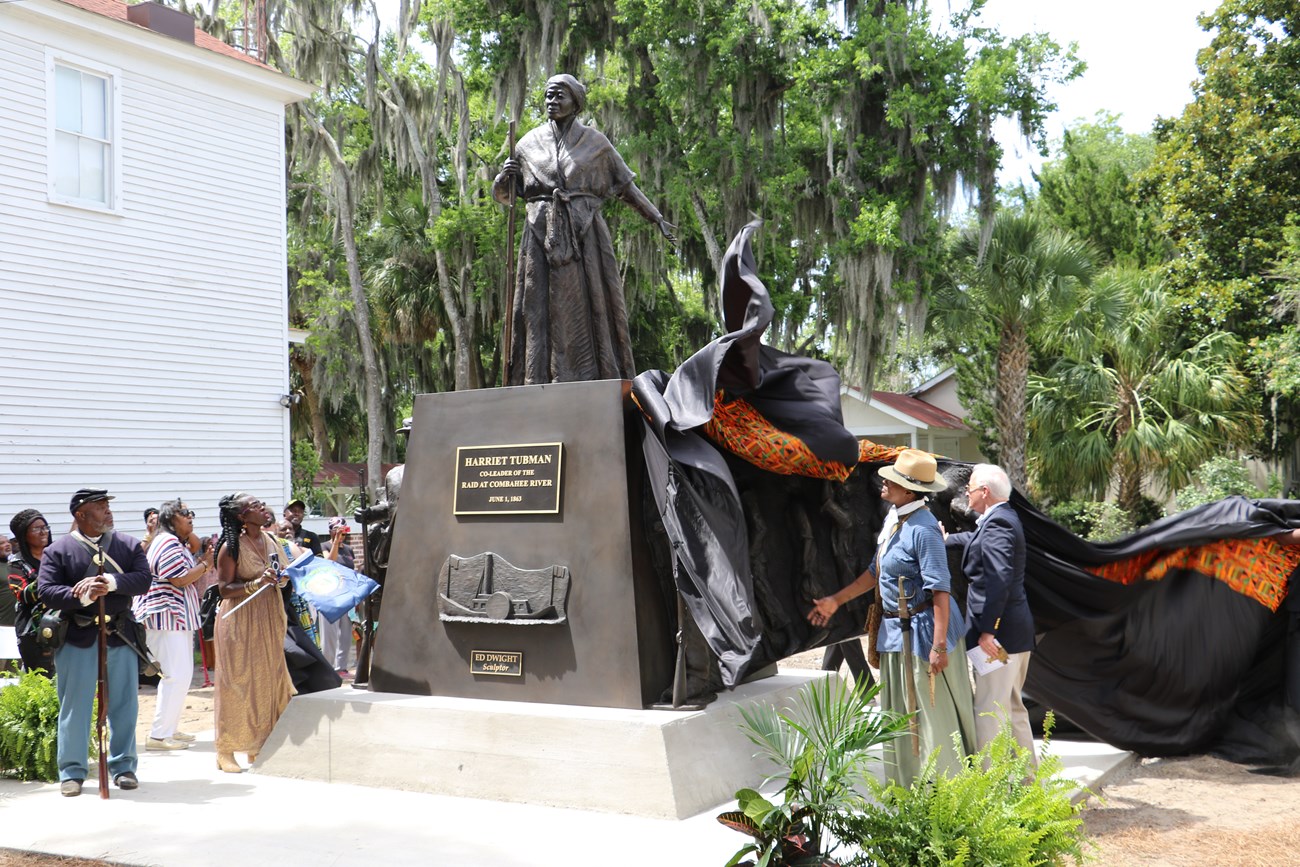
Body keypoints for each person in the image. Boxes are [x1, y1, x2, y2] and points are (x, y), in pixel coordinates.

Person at [492, 73, 676, 385]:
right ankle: (536, 378)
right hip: (539, 234)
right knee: (536, 308)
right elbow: (509, 194)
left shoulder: (596, 144)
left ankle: (593, 377)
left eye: (559, 96)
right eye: (548, 96)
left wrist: (656, 217)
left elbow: (626, 187)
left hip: (584, 234)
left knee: (588, 306)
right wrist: (502, 178)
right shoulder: (527, 144)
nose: (552, 102)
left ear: (575, 103)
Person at [808, 450, 976, 787]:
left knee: (932, 719)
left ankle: (944, 793)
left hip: (925, 636)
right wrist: (835, 601)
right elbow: (875, 571)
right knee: (902, 716)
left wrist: (939, 647)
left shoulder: (924, 529)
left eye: (893, 480)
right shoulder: (895, 520)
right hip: (897, 634)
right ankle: (908, 788)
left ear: (910, 491)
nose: (884, 482)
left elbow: (940, 591)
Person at [36, 489, 150, 797]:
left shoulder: (127, 545)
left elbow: (143, 579)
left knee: (125, 704)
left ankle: (124, 766)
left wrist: (111, 583)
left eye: (107, 506)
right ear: (81, 515)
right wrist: (81, 593)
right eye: (99, 508)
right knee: (75, 706)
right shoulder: (58, 550)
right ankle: (72, 771)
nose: (107, 512)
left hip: (120, 635)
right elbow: (46, 591)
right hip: (78, 636)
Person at [945, 464, 1037, 766]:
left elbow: (999, 580)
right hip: (1012, 633)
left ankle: (988, 788)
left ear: (984, 491)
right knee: (1011, 708)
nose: (966, 493)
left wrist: (988, 630)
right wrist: (945, 539)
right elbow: (974, 540)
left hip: (998, 640)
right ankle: (1028, 782)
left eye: (969, 488)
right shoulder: (1000, 519)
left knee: (989, 709)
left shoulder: (999, 524)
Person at [213, 493, 296, 773]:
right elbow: (224, 589)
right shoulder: (231, 547)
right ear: (241, 517)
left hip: (269, 617)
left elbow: (283, 574)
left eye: (262, 505)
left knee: (265, 682)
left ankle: (257, 746)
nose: (263, 509)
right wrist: (257, 582)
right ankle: (225, 750)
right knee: (236, 683)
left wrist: (282, 578)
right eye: (256, 506)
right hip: (239, 620)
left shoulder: (270, 540)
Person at [134, 499, 209, 751]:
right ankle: (158, 736)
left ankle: (169, 729)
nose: (190, 517)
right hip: (167, 617)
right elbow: (178, 580)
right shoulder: (167, 542)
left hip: (175, 618)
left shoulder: (173, 542)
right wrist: (206, 564)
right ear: (170, 519)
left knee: (181, 675)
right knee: (175, 675)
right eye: (185, 513)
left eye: (191, 512)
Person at [7, 509, 55, 674]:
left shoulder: (58, 555)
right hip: (33, 633)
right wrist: (50, 572)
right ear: (24, 535)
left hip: (65, 627)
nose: (43, 532)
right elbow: (24, 595)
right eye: (36, 528)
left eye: (45, 527)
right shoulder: (17, 563)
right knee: (42, 684)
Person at [320, 516, 356, 678]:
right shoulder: (324, 545)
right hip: (330, 596)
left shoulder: (349, 550)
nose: (341, 534)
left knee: (346, 634)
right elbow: (329, 562)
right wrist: (335, 542)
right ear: (330, 531)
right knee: (330, 634)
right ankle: (327, 667)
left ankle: (341, 667)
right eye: (337, 530)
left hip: (346, 595)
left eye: (343, 530)